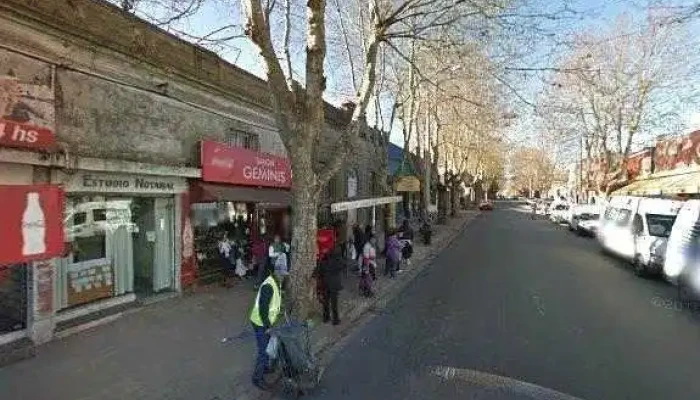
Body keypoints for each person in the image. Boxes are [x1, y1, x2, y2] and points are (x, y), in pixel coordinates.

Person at [249, 271, 282, 390]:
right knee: (263, 351)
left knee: (268, 347)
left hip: (263, 322)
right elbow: (263, 309)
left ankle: (265, 368)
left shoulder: (274, 282)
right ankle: (257, 378)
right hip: (260, 323)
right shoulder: (269, 286)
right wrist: (268, 327)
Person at [319, 246, 344, 325]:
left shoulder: (324, 262)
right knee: (334, 303)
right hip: (334, 285)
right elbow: (343, 266)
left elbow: (319, 272)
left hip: (326, 284)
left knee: (326, 301)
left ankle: (326, 318)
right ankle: (335, 320)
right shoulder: (339, 262)